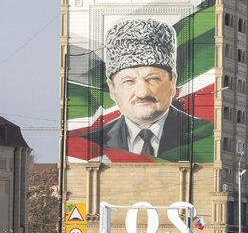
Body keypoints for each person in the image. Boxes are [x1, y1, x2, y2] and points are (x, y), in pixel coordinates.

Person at [81, 18, 204, 161]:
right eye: (128, 81)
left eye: (152, 79)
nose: (142, 93)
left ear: (172, 82)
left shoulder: (204, 133)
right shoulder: (90, 143)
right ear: (112, 89)